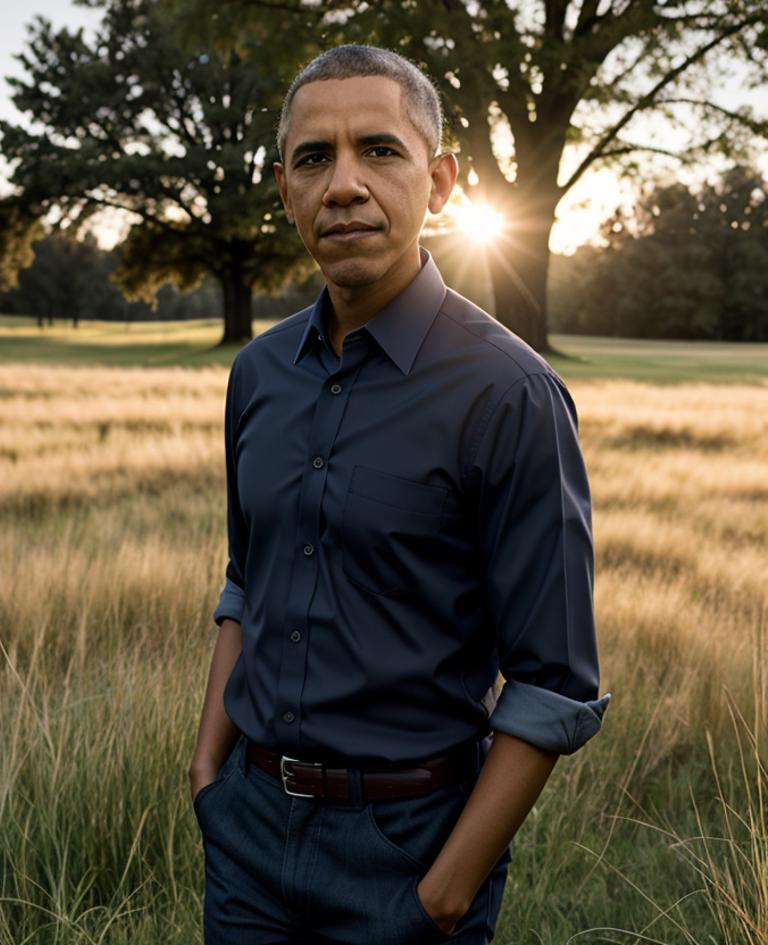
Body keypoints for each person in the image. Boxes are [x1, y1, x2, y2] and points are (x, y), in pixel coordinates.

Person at [188, 43, 611, 945]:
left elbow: (554, 682)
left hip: (412, 855)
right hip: (249, 839)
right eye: (314, 158)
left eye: (379, 150)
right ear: (283, 188)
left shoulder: (511, 393)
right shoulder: (258, 375)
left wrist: (443, 895)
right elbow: (245, 581)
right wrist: (208, 772)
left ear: (443, 179)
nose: (343, 184)